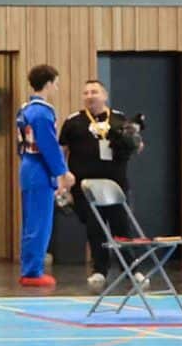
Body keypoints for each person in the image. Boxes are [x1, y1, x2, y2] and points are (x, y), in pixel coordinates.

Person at [59, 78, 144, 286]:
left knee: (122, 228)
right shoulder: (73, 121)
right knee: (94, 229)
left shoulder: (119, 119)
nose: (90, 96)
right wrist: (63, 179)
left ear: (104, 95)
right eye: (86, 93)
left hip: (116, 185)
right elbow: (62, 151)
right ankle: (99, 271)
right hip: (86, 187)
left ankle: (132, 269)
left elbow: (139, 147)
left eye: (94, 92)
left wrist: (131, 141)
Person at [15, 63, 74, 288]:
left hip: (28, 165)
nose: (56, 88)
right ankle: (33, 271)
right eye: (56, 84)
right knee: (40, 222)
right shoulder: (42, 112)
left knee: (31, 221)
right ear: (48, 84)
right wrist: (62, 171)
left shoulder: (25, 109)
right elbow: (48, 145)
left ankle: (30, 267)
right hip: (39, 168)